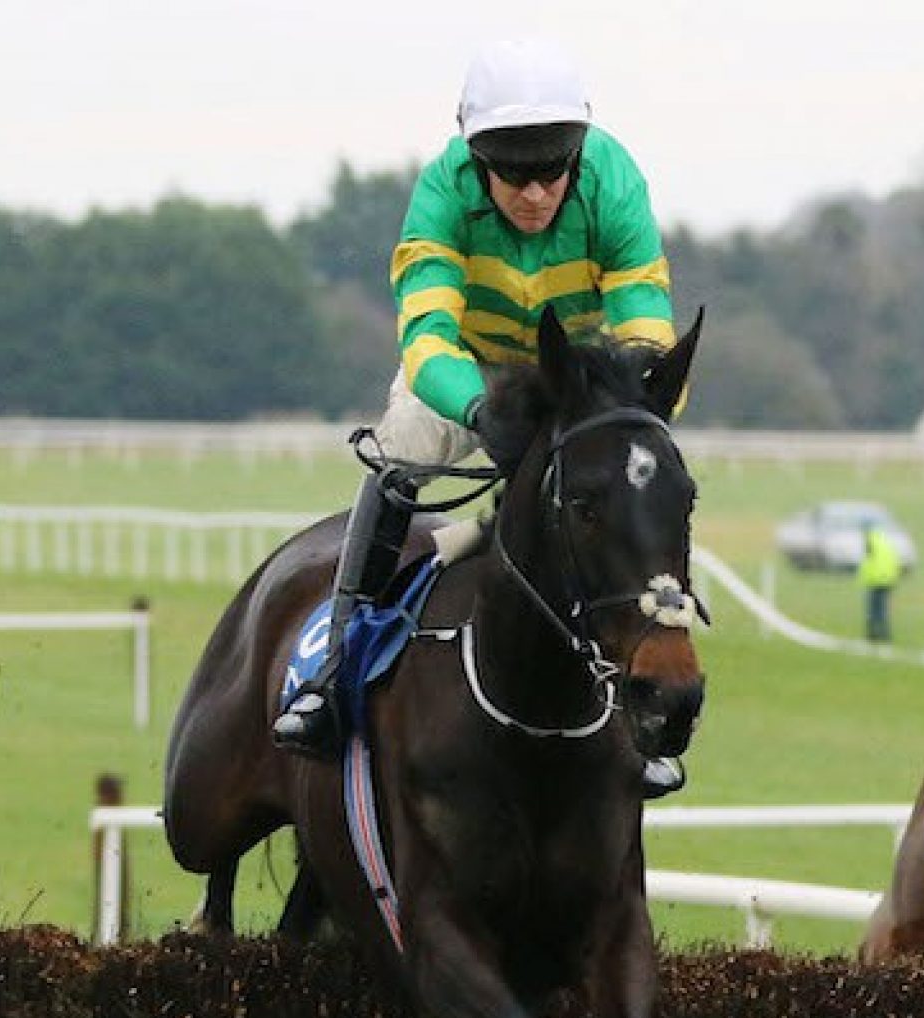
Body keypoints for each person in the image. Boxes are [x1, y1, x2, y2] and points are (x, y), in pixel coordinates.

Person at [270, 36, 688, 796]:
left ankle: (646, 715)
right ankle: (331, 672)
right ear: (476, 158)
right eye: (514, 174)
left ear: (578, 150)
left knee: (645, 477)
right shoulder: (439, 192)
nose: (535, 194)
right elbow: (426, 336)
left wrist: (631, 399)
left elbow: (644, 326)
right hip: (470, 372)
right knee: (398, 456)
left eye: (552, 170)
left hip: (581, 381)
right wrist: (478, 407)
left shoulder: (615, 183)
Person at [857, 522, 902, 643]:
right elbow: (894, 561)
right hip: (888, 581)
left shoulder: (870, 543)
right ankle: (885, 635)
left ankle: (872, 635)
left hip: (876, 581)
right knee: (883, 609)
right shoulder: (885, 543)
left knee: (873, 609)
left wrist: (865, 578)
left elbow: (869, 563)